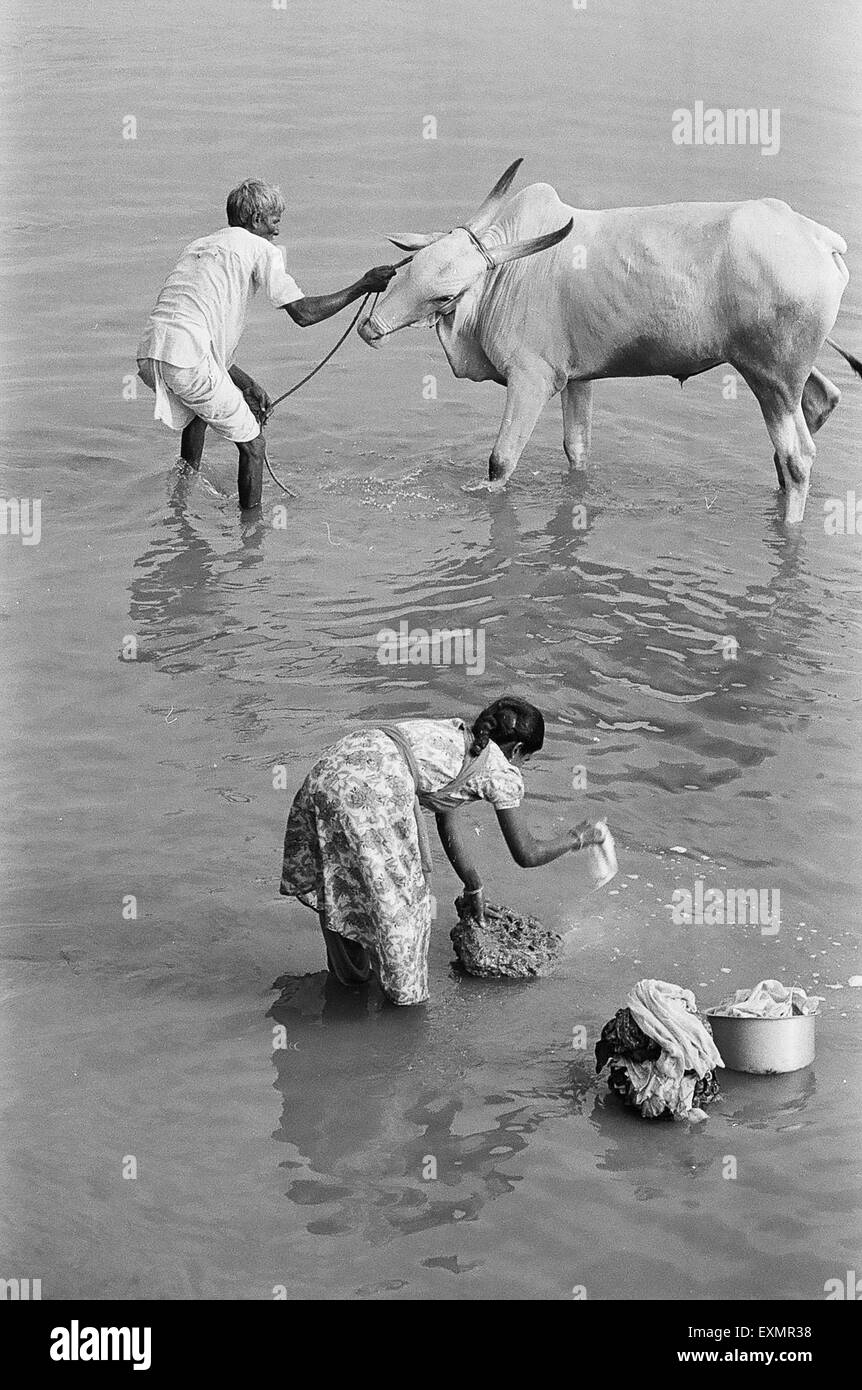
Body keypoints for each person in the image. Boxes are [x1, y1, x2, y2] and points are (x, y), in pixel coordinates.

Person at [279, 696, 606, 1006]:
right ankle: (405, 1011)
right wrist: (578, 837)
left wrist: (473, 886)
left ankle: (349, 985)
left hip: (335, 767)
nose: (524, 765)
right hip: (376, 788)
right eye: (527, 759)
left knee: (342, 884)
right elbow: (527, 853)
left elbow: (447, 818)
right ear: (518, 749)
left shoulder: (457, 735)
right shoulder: (500, 770)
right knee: (404, 909)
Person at [136, 178, 396, 508]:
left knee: (198, 413)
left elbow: (195, 330)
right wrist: (363, 284)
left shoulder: (199, 246)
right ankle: (252, 539)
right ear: (256, 220)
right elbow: (302, 313)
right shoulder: (261, 249)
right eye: (274, 222)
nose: (276, 232)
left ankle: (182, 501)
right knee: (253, 445)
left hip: (151, 353)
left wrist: (247, 384)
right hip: (188, 357)